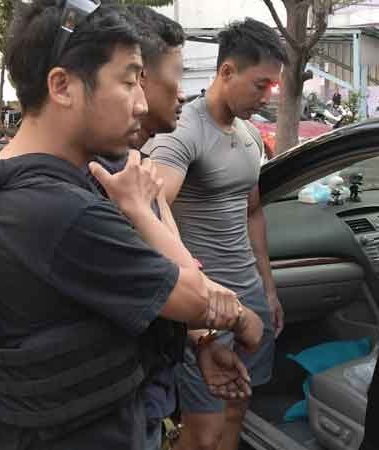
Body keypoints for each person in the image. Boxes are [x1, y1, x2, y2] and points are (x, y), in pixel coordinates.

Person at [0, 2, 264, 449]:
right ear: (62, 86)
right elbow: (192, 296)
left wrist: (203, 342)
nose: (141, 103)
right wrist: (242, 319)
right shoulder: (63, 211)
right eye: (128, 82)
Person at [96, 6, 257, 449]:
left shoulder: (135, 169)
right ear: (139, 78)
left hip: (141, 399)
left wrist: (203, 340)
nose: (183, 93)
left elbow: (176, 254)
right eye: (178, 75)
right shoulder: (106, 183)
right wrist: (238, 316)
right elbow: (183, 287)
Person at [143, 18, 288, 450]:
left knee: (238, 408)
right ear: (226, 71)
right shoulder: (183, 132)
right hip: (204, 307)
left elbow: (253, 213)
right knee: (203, 435)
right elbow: (149, 216)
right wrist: (194, 311)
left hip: (249, 296)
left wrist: (268, 288)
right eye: (260, 85)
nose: (266, 97)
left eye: (272, 87)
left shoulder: (250, 136)